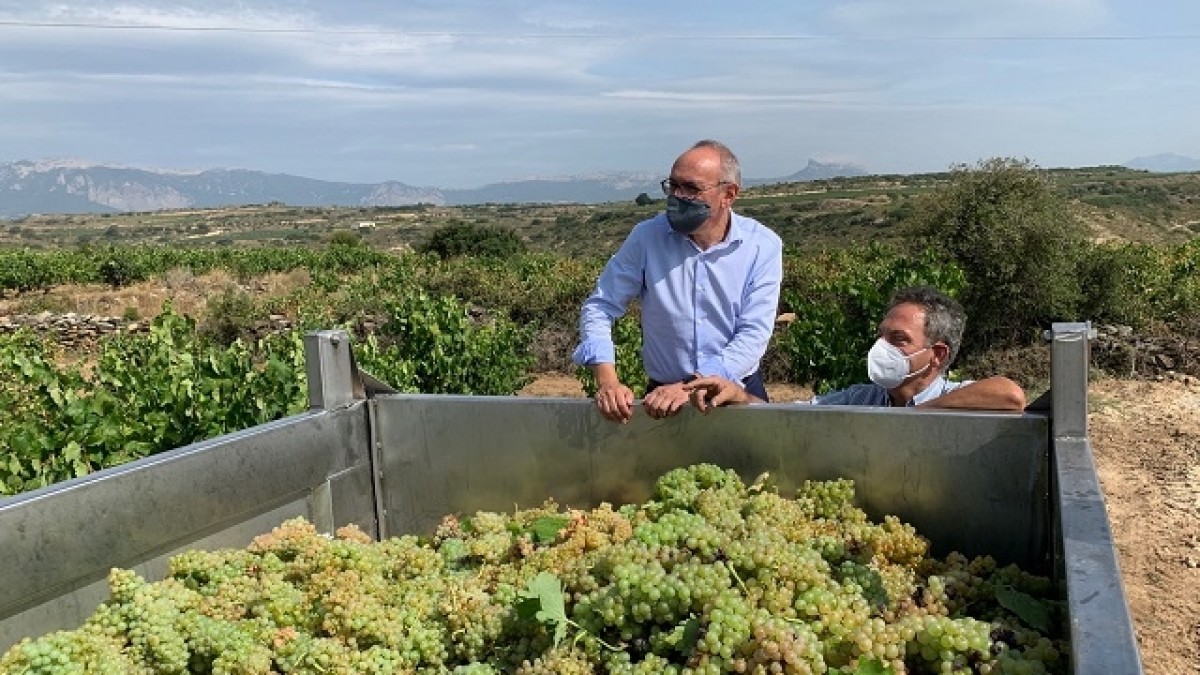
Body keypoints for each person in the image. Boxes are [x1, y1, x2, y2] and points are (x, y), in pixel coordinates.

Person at [573, 140, 783, 424]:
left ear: (729, 194)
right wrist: (607, 380)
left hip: (734, 392)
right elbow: (600, 306)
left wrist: (690, 386)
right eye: (673, 186)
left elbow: (753, 334)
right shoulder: (646, 238)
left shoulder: (762, 246)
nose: (677, 196)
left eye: (691, 189)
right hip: (662, 399)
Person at [684, 285, 1026, 412]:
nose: (881, 347)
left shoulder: (957, 398)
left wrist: (919, 415)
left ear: (936, 354)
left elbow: (1010, 394)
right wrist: (740, 396)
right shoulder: (861, 400)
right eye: (882, 335)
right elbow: (795, 416)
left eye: (899, 339)